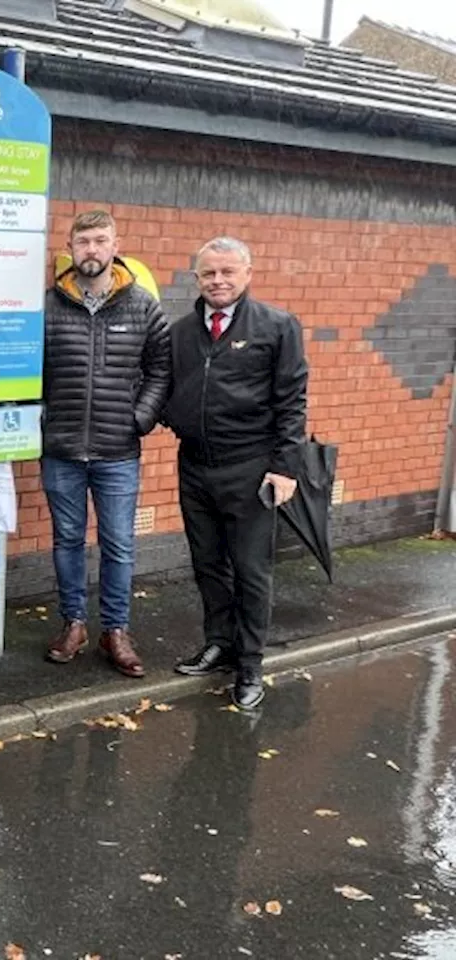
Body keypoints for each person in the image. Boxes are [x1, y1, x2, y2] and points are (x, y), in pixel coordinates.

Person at [163, 237, 308, 709]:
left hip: (251, 468)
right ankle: (219, 642)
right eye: (209, 274)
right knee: (207, 563)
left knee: (250, 571)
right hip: (195, 465)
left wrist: (285, 467)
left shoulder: (277, 326)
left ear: (247, 273)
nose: (218, 281)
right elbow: (168, 388)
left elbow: (291, 402)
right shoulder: (181, 332)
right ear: (198, 278)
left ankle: (250, 665)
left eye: (227, 272)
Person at [40, 210, 171, 678]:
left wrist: (140, 417)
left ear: (115, 245)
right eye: (83, 242)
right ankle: (73, 623)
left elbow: (162, 369)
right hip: (62, 449)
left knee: (118, 544)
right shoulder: (50, 306)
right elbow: (31, 372)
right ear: (70, 248)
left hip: (118, 452)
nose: (91, 250)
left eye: (100, 241)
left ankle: (115, 630)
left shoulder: (142, 305)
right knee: (67, 542)